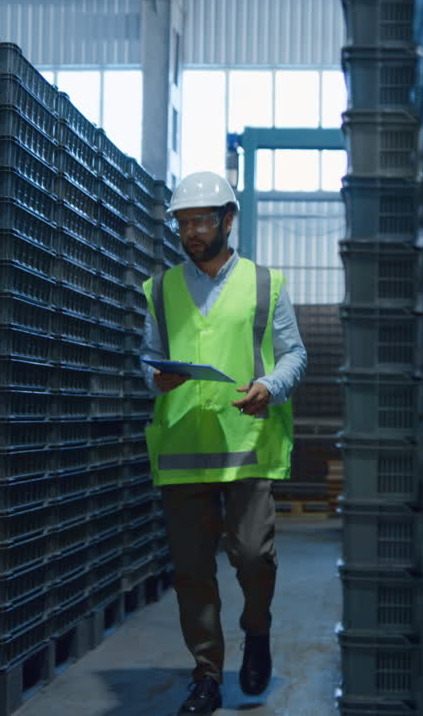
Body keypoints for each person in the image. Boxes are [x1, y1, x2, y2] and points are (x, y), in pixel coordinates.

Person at [140, 171, 307, 715]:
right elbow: (149, 357)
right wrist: (156, 378)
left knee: (254, 556)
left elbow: (294, 355)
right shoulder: (161, 289)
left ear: (228, 221)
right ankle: (207, 673)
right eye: (183, 223)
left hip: (246, 445)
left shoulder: (265, 283)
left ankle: (256, 633)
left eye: (201, 221)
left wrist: (270, 386)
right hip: (183, 446)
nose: (190, 232)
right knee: (191, 570)